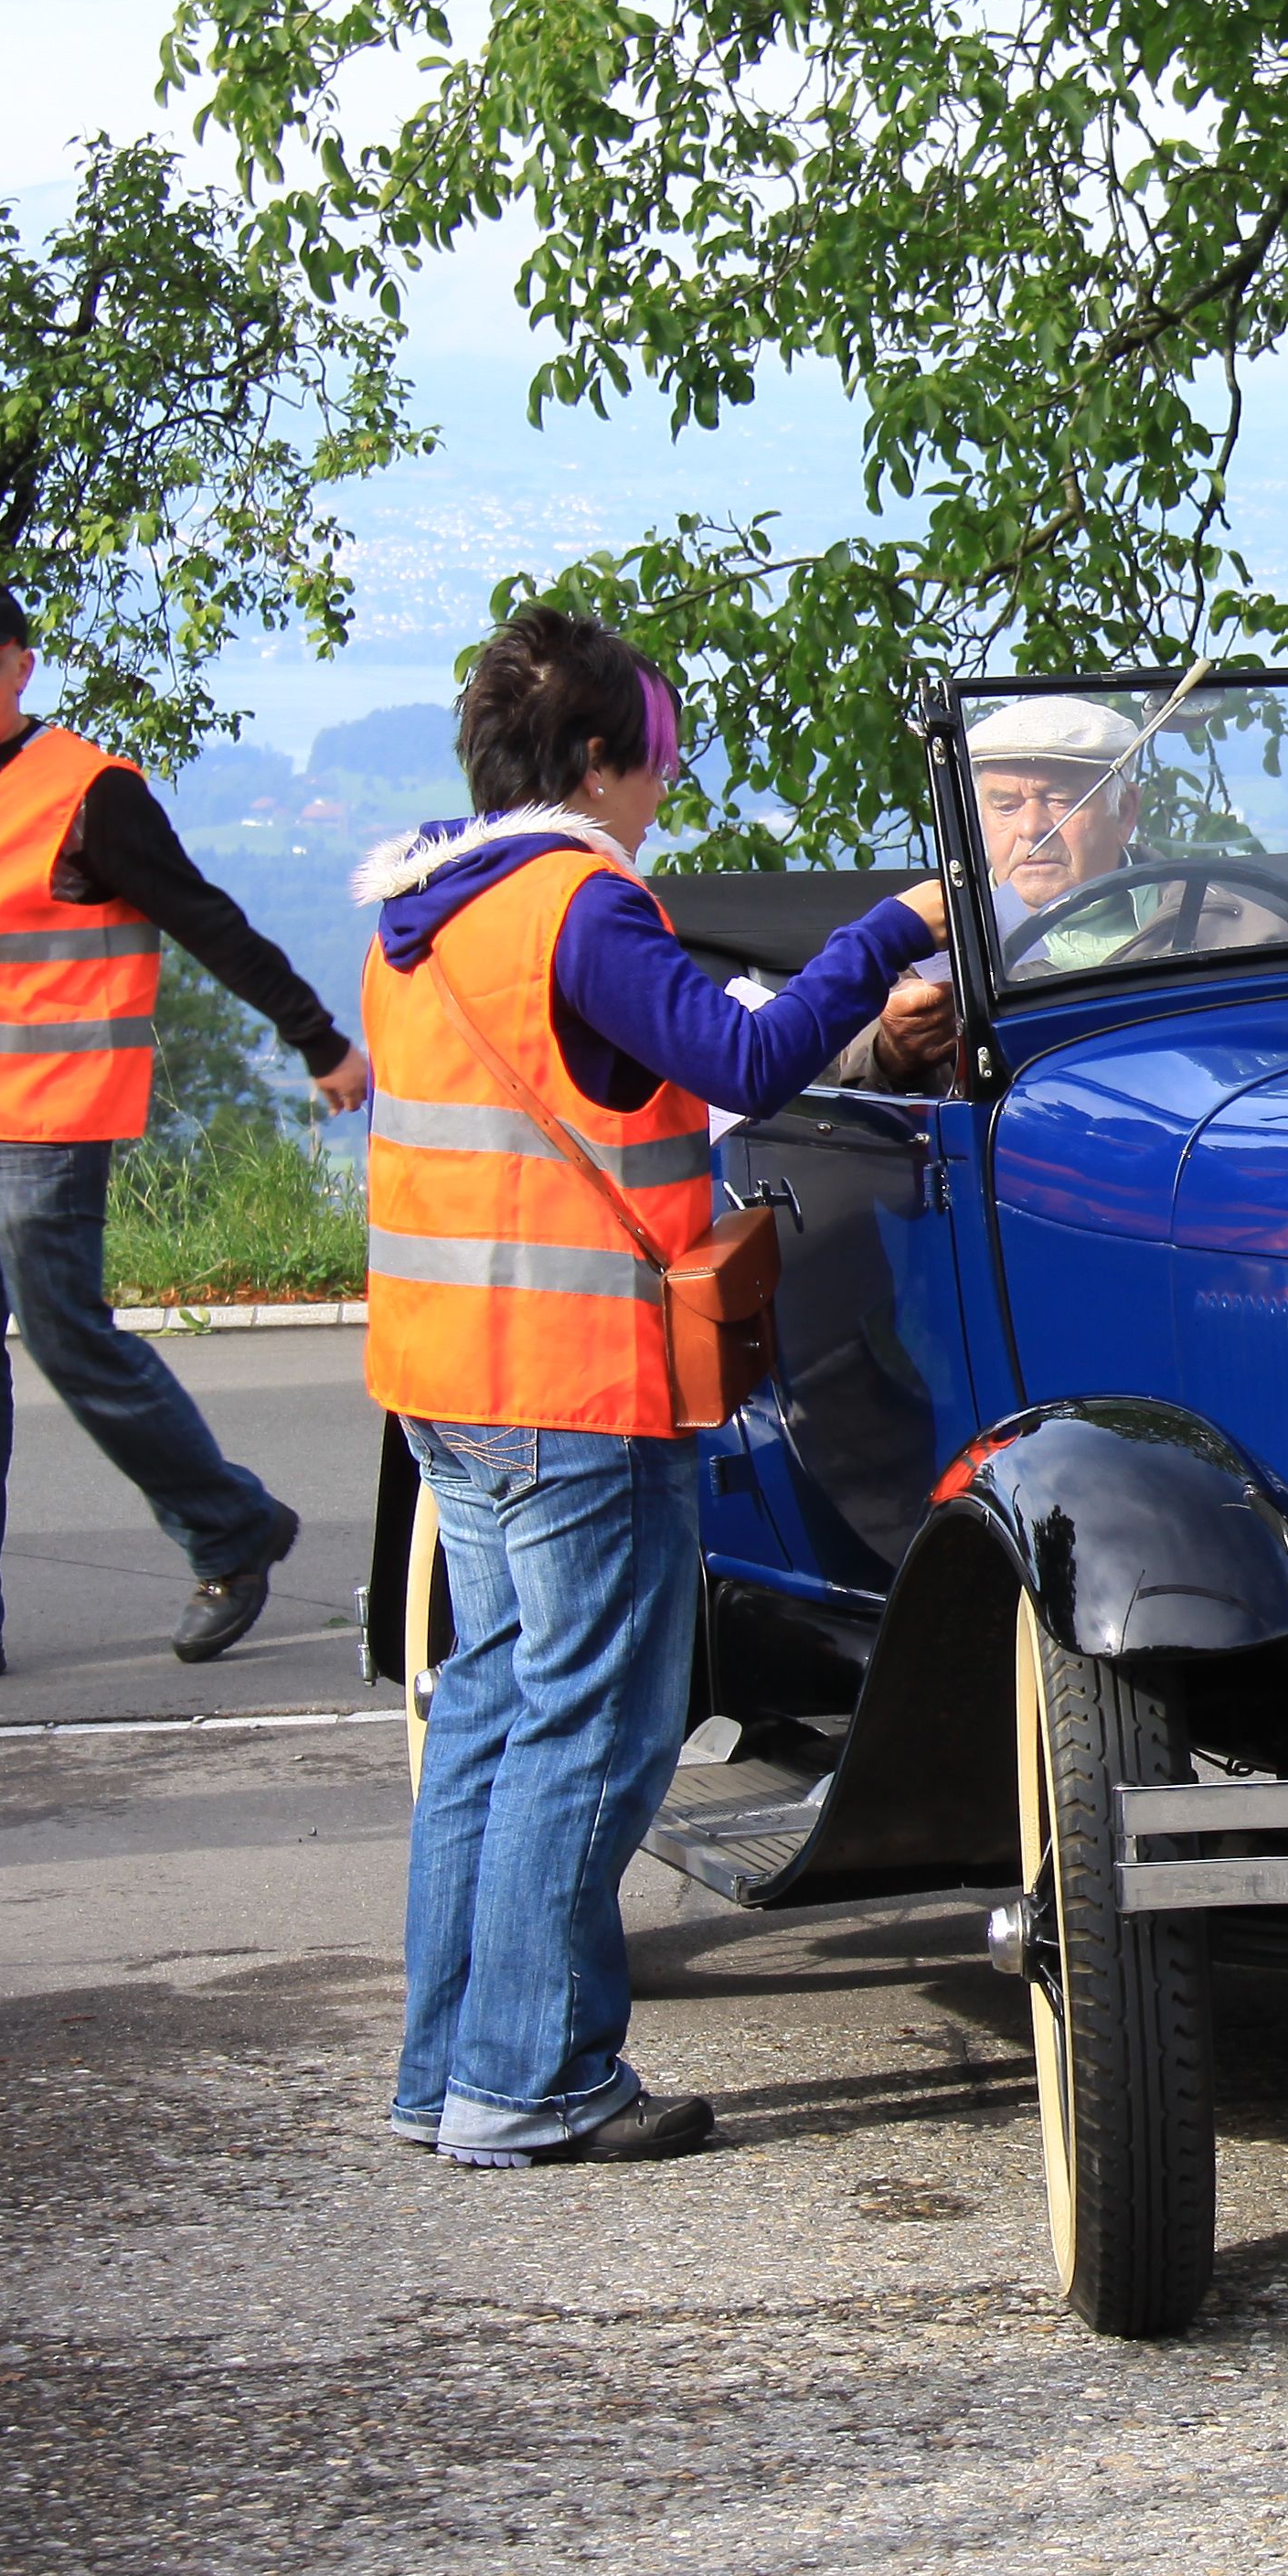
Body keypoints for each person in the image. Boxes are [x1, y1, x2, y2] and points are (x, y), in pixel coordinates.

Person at [358, 602, 944, 2167]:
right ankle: (535, 2079)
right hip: (571, 1376)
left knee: (488, 1708)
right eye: (660, 758)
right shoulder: (578, 909)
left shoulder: (423, 909)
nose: (664, 791)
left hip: (445, 1374)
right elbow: (743, 1064)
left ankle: (448, 2066)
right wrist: (890, 930)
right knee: (596, 1726)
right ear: (601, 761)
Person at [0, 574, 374, 1688]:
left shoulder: (90, 794)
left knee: (72, 1344)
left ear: (22, 667)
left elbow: (204, 916)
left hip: (38, 1131)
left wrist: (316, 1038)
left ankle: (230, 1529)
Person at [831, 693, 1142, 1087]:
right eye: (1004, 805)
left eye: (1061, 799)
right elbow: (828, 1103)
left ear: (1126, 811)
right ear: (979, 817)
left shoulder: (1227, 920)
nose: (1031, 827)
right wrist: (892, 1052)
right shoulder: (924, 942)